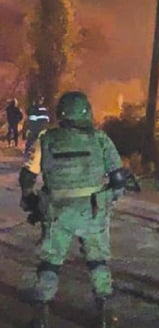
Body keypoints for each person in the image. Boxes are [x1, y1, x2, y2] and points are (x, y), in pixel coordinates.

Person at [18, 91, 124, 327]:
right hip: (93, 212)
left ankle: (41, 315)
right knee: (97, 261)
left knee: (51, 262)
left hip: (57, 211)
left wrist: (30, 200)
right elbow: (118, 179)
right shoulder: (100, 139)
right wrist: (109, 199)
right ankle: (103, 312)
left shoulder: (46, 139)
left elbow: (27, 175)